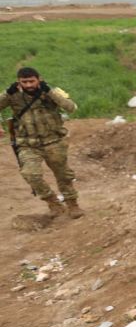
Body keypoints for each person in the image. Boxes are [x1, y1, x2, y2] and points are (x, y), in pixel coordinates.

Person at [0, 66, 83, 218]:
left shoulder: (52, 91)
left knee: (63, 175)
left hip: (54, 141)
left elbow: (71, 107)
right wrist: (6, 94)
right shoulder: (12, 94)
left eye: (32, 81)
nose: (29, 85)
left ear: (39, 79)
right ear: (19, 82)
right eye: (24, 82)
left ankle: (72, 204)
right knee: (31, 174)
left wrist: (49, 91)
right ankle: (53, 202)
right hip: (28, 144)